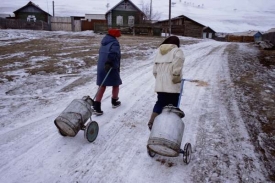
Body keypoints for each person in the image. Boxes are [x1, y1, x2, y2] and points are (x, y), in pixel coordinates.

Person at [148, 36, 185, 130]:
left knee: (160, 102)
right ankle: (168, 126)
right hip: (172, 83)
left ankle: (152, 122)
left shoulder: (159, 52)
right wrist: (176, 78)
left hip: (160, 84)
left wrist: (159, 79)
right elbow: (177, 67)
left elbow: (154, 71)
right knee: (173, 105)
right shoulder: (177, 51)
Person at [93, 29, 122, 116]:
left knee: (102, 85)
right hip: (111, 67)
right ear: (115, 36)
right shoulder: (115, 43)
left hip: (101, 66)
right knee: (116, 84)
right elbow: (113, 53)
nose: (118, 37)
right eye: (118, 36)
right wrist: (109, 62)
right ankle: (114, 101)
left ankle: (97, 106)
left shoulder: (104, 42)